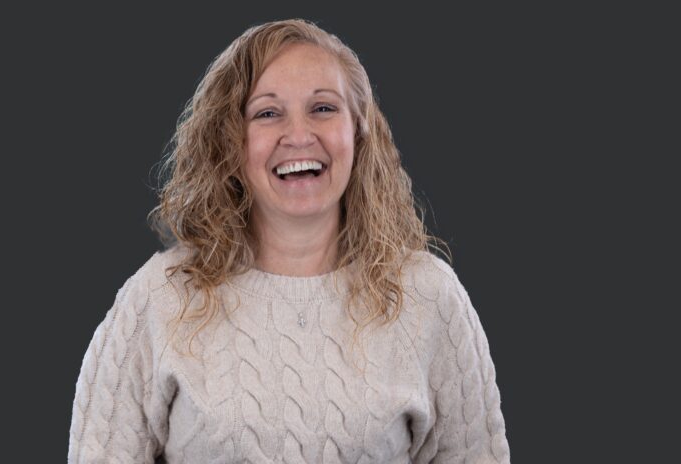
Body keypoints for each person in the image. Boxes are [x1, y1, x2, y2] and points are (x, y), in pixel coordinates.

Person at [67, 18, 511, 464]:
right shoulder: (160, 299)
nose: (299, 136)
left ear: (359, 131)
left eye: (323, 108)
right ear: (230, 142)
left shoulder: (429, 298)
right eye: (267, 113)